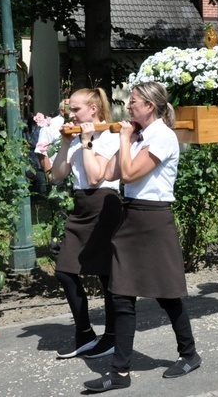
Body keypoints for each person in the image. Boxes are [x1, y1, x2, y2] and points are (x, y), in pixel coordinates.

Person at [85, 82, 200, 392]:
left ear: (150, 106)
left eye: (133, 102)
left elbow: (133, 173)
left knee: (166, 295)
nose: (128, 107)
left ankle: (189, 354)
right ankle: (120, 373)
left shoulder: (163, 137)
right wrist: (104, 141)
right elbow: (110, 174)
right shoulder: (138, 136)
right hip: (130, 215)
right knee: (121, 294)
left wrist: (125, 140)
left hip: (154, 218)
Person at [50, 88, 121, 360]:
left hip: (104, 204)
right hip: (81, 205)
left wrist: (88, 141)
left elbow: (95, 177)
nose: (71, 114)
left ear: (93, 109)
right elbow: (57, 175)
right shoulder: (78, 137)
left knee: (106, 275)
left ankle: (112, 337)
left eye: (76, 109)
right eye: (71, 109)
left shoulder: (109, 137)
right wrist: (67, 143)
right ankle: (85, 333)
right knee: (65, 271)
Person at [36, 98, 69, 174]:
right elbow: (41, 152)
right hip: (58, 176)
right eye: (72, 109)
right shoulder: (50, 125)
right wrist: (50, 176)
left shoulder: (79, 124)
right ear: (62, 111)